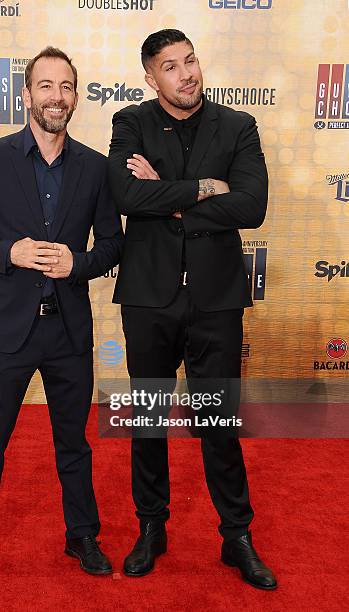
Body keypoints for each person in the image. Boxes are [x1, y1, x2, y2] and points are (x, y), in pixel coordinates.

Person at [0, 46, 123, 589]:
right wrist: (7, 252)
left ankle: (82, 535)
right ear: (26, 95)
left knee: (74, 442)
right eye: (45, 86)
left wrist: (80, 264)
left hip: (67, 330)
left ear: (75, 96)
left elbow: (113, 245)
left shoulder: (95, 167)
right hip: (6, 331)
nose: (56, 97)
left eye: (66, 86)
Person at [108, 29, 277, 590]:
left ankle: (237, 536)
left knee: (218, 422)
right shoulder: (129, 123)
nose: (187, 74)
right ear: (151, 77)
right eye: (171, 67)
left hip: (215, 299)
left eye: (191, 61)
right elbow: (128, 197)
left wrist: (172, 198)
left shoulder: (238, 126)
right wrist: (204, 188)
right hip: (149, 296)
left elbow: (251, 205)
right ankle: (151, 528)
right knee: (150, 420)